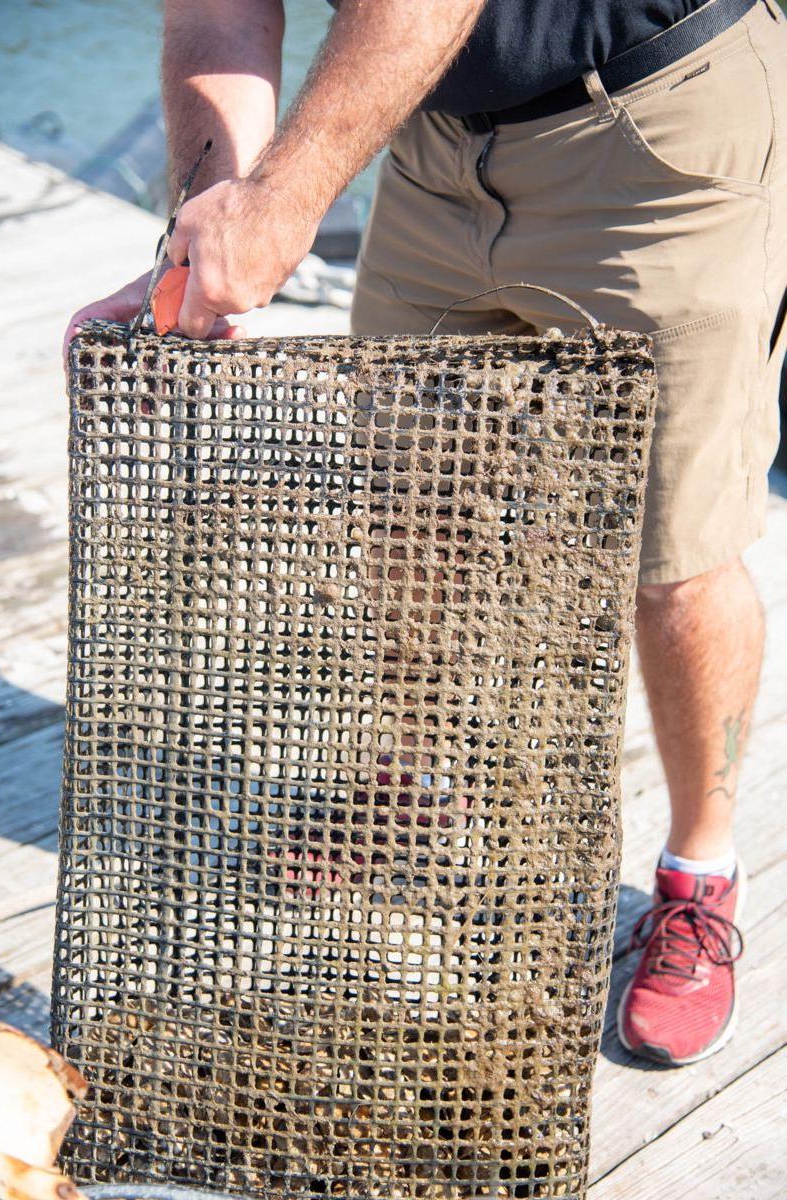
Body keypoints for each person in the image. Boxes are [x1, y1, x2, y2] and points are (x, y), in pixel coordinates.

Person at [66, 0, 787, 1067]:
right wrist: (209, 215)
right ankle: (421, 783)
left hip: (653, 130)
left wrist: (286, 197)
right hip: (434, 142)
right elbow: (219, 9)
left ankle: (699, 874)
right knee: (412, 514)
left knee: (672, 552)